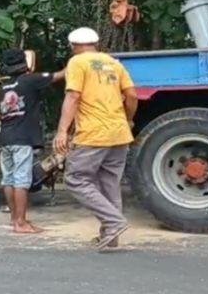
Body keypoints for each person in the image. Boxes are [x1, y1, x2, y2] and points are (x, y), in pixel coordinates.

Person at [54, 27, 138, 250]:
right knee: (109, 182)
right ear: (96, 43)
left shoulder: (77, 63)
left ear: (74, 46)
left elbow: (73, 96)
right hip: (119, 133)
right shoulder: (114, 63)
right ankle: (111, 236)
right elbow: (132, 95)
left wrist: (63, 130)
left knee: (76, 179)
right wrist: (128, 119)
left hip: (94, 134)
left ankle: (114, 221)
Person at [0, 49, 64, 233]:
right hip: (22, 139)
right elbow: (58, 76)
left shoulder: (2, 87)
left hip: (5, 139)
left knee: (8, 179)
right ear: (24, 64)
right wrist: (78, 61)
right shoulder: (30, 80)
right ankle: (21, 223)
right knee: (21, 181)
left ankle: (13, 219)